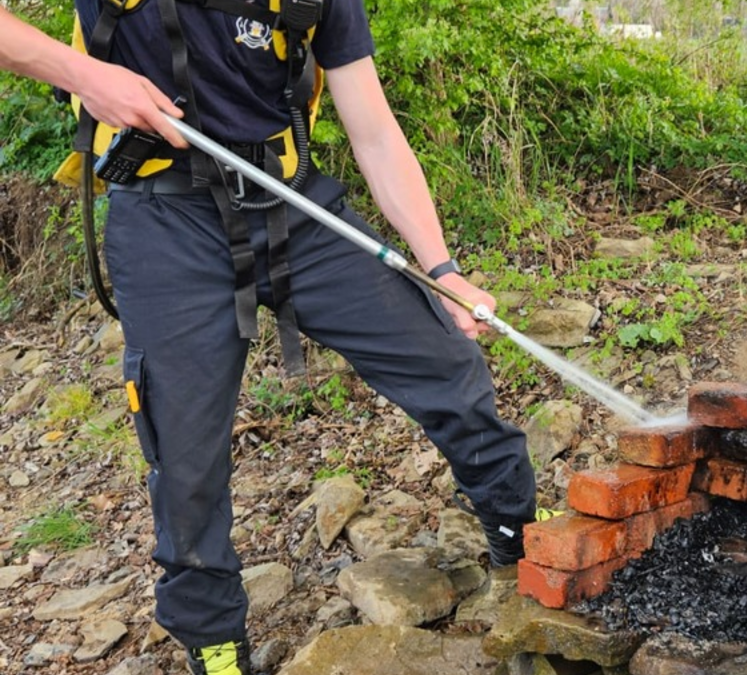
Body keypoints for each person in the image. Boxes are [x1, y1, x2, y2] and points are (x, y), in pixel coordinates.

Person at [1, 3, 537, 674]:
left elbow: (371, 129)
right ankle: (217, 645)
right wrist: (85, 74)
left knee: (448, 364)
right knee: (185, 457)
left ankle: (522, 556)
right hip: (165, 220)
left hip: (293, 205)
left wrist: (443, 267)